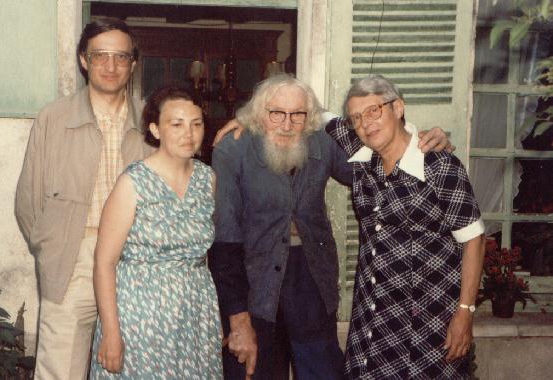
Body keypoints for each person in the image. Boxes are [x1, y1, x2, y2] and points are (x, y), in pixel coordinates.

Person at [209, 74, 452, 380]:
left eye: (297, 115)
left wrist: (421, 144)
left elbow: (379, 162)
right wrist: (237, 318)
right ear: (259, 114)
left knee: (322, 371)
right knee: (255, 370)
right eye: (276, 114)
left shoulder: (321, 140)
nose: (286, 125)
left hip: (311, 277)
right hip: (252, 282)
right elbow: (225, 239)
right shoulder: (233, 149)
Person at [14, 18, 152, 379]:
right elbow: (28, 201)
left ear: (133, 64)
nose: (110, 66)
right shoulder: (54, 118)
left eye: (121, 57)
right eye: (100, 55)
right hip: (72, 259)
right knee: (61, 367)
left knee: (132, 367)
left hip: (135, 262)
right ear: (83, 60)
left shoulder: (153, 119)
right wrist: (52, 247)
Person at [326, 75, 485, 379]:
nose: (366, 123)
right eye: (356, 118)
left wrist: (465, 312)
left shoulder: (439, 166)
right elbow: (313, 114)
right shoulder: (363, 159)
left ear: (398, 108)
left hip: (428, 322)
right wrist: (248, 122)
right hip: (372, 320)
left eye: (374, 111)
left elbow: (474, 241)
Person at [89, 85, 223, 378]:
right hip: (140, 312)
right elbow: (104, 262)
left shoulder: (207, 179)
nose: (189, 133)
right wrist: (111, 333)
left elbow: (202, 254)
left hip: (195, 310)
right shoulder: (133, 183)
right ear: (156, 129)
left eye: (196, 124)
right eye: (176, 124)